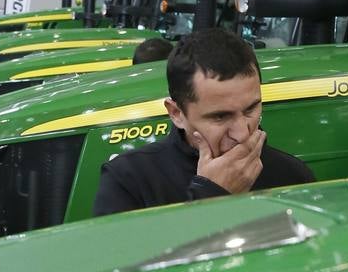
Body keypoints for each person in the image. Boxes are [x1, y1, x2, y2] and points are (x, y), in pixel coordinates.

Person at [92, 28, 314, 216]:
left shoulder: (294, 177)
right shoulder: (127, 182)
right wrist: (209, 196)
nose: (242, 134)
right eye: (220, 116)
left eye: (251, 109)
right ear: (176, 113)